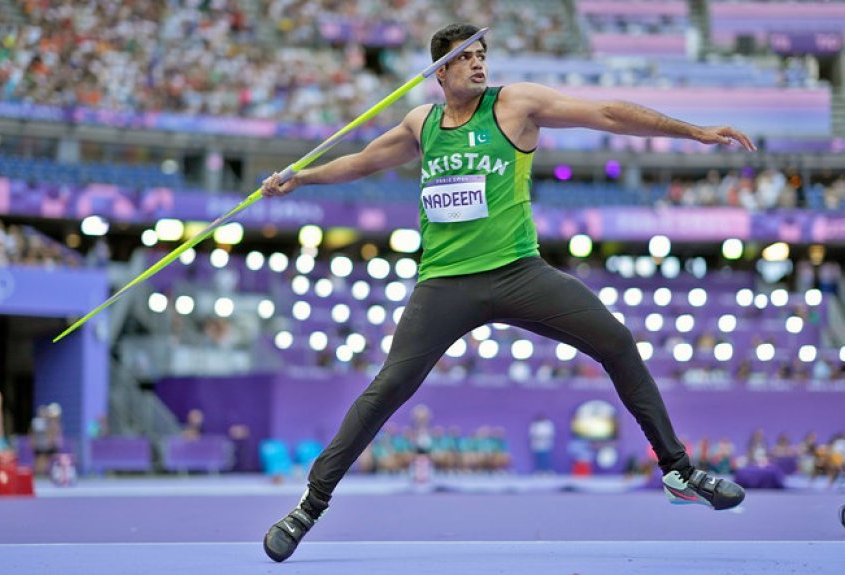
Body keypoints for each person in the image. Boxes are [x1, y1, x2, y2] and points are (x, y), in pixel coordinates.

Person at [260, 23, 752, 562]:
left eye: (482, 54)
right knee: (389, 387)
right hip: (445, 281)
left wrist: (694, 132)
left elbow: (607, 114)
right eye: (464, 57)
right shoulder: (421, 123)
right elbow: (363, 161)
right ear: (438, 72)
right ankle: (309, 506)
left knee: (615, 340)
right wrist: (302, 178)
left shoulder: (515, 105)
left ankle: (678, 471)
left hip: (518, 273)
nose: (478, 63)